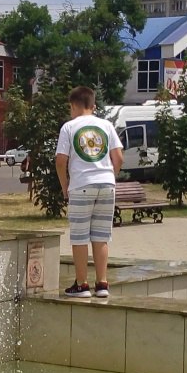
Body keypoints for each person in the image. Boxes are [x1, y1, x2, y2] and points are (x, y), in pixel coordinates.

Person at [55, 85, 123, 299]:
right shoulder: (106, 125)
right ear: (93, 106)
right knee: (102, 236)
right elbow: (118, 158)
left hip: (81, 185)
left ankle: (81, 284)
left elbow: (60, 160)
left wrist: (65, 186)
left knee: (80, 236)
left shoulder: (69, 127)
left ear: (72, 106)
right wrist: (110, 176)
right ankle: (102, 283)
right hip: (106, 185)